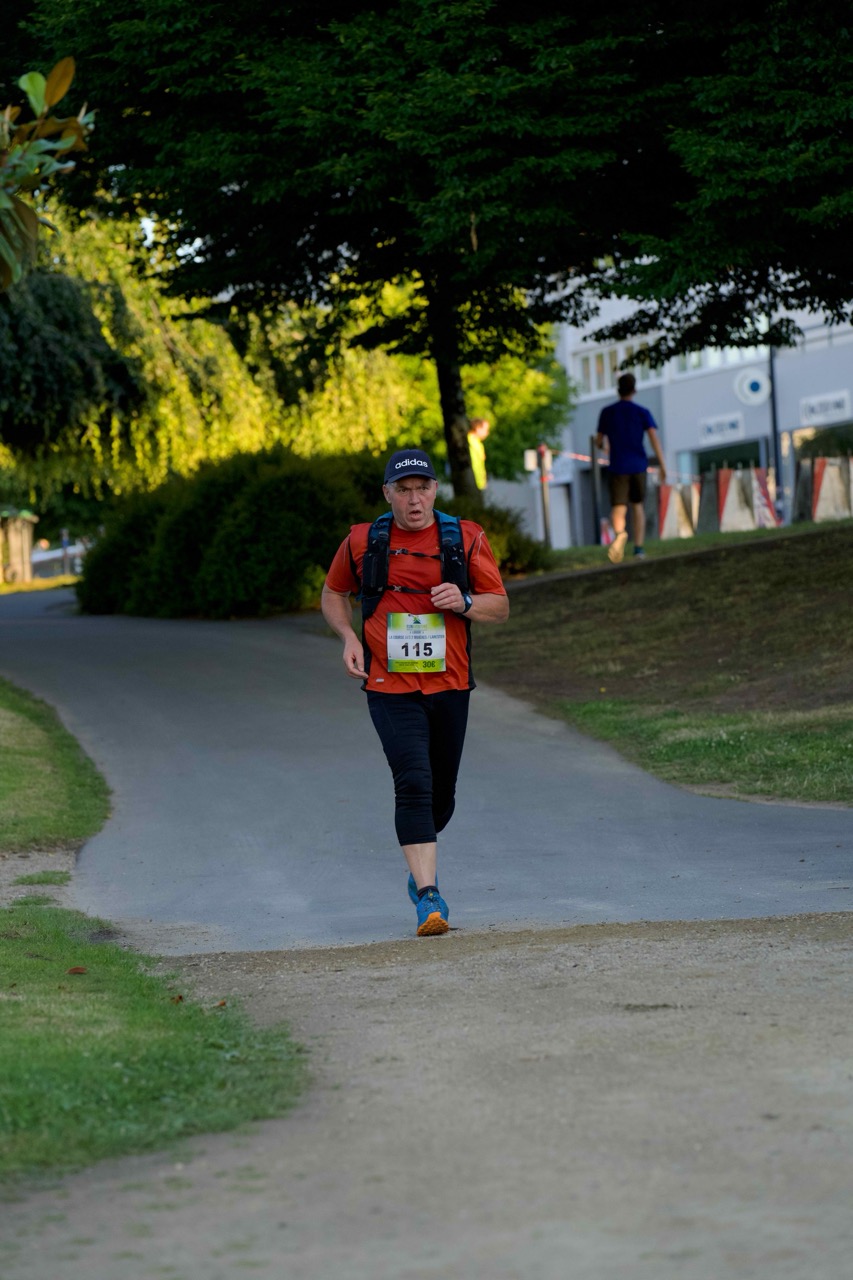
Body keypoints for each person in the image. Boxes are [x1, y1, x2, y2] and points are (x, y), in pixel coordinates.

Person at [321, 448, 509, 937]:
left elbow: (499, 605)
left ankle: (418, 862)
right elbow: (333, 592)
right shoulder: (363, 541)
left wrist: (464, 601)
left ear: (435, 490)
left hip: (451, 683)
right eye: (403, 491)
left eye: (422, 489)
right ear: (387, 494)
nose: (413, 500)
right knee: (413, 781)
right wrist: (348, 637)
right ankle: (429, 897)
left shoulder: (465, 537)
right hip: (388, 684)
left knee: (440, 798)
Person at [595, 373, 667, 563]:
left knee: (618, 508)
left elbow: (599, 441)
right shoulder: (642, 412)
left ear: (618, 390)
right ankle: (639, 548)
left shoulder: (607, 412)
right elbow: (654, 440)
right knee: (637, 506)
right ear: (634, 390)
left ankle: (620, 535)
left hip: (618, 465)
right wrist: (663, 465)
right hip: (638, 465)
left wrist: (604, 445)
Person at [467, 417, 490, 490]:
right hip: (474, 483)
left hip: (477, 483)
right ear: (478, 428)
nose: (487, 433)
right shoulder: (470, 442)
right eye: (486, 430)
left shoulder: (477, 443)